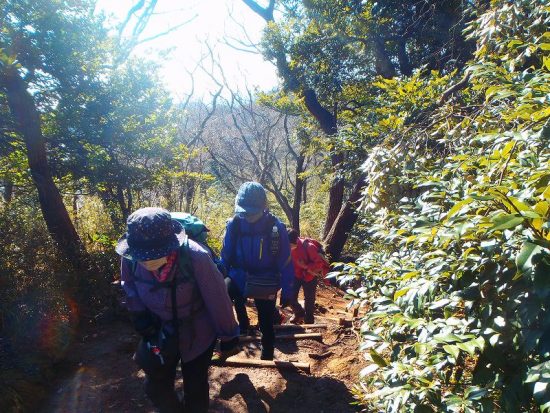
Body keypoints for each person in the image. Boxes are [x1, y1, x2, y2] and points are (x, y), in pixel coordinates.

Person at [116, 207, 239, 413]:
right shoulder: (131, 256)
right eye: (142, 257)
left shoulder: (196, 257)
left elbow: (217, 297)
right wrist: (139, 316)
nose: (147, 261)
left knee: (195, 386)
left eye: (153, 255)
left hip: (198, 331)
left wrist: (228, 334)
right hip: (159, 331)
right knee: (156, 387)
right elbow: (129, 286)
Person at [220, 182, 294, 360]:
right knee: (220, 300)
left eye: (253, 211)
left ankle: (267, 355)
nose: (249, 215)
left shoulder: (276, 227)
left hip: (266, 278)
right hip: (238, 276)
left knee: (266, 320)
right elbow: (226, 255)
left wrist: (287, 290)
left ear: (264, 207)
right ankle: (229, 342)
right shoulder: (234, 224)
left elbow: (285, 260)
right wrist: (219, 277)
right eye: (245, 212)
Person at [286, 228, 331, 325]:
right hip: (295, 274)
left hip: (310, 276)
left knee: (309, 300)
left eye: (289, 245)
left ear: (296, 241)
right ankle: (299, 313)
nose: (287, 248)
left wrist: (305, 266)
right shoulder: (287, 247)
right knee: (290, 296)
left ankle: (309, 321)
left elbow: (319, 265)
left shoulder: (309, 247)